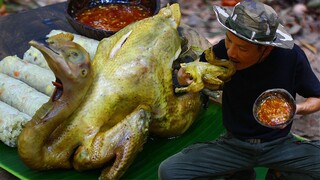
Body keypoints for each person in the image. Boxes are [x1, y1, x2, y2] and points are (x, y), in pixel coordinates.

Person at [158, 0, 320, 179]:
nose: (231, 53)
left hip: (279, 145)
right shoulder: (222, 51)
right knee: (170, 171)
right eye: (228, 40)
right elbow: (194, 69)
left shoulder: (291, 57)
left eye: (242, 48)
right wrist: (183, 76)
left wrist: (297, 109)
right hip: (234, 145)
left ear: (266, 50)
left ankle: (279, 174)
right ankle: (239, 173)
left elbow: (316, 97)